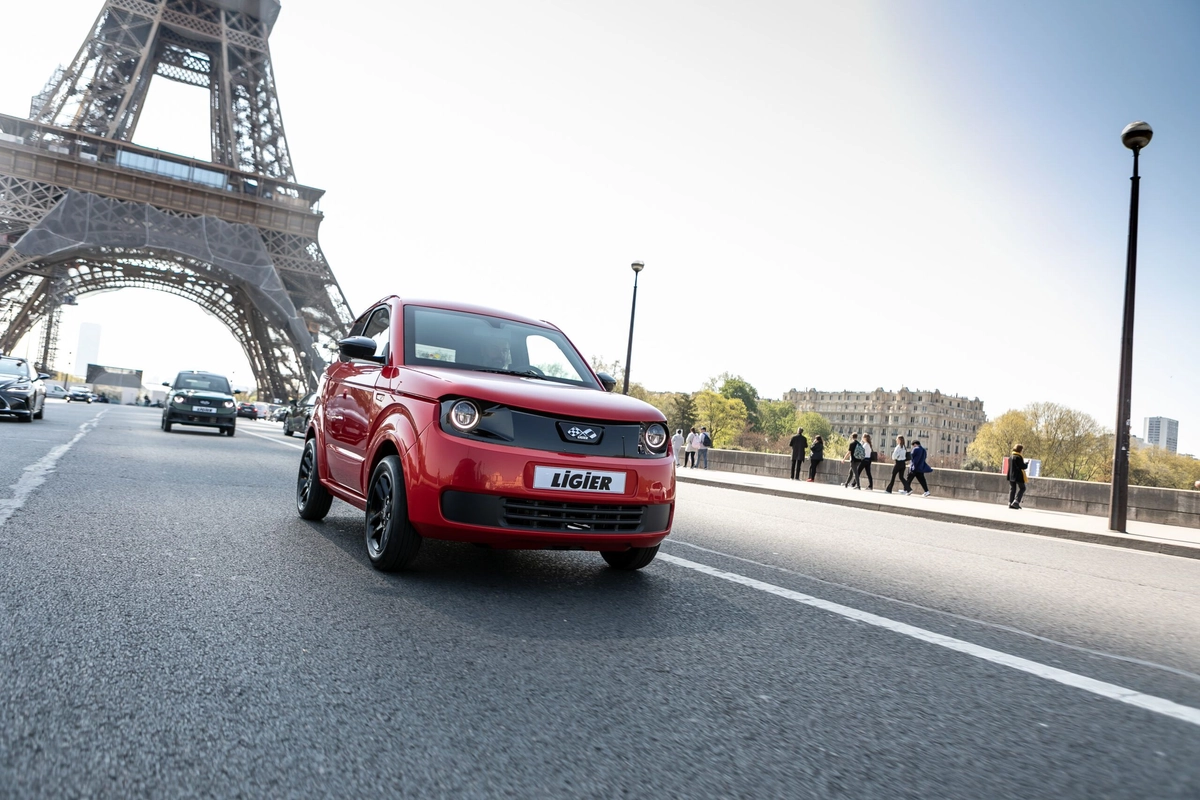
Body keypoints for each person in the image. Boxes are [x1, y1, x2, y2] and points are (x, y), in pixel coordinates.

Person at [1008, 443, 1029, 509]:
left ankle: (1010, 503)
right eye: (1022, 450)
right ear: (1020, 450)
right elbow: (1022, 466)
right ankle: (1016, 502)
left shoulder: (1011, 456)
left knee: (1012, 489)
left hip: (1011, 475)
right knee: (1023, 488)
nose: (1022, 451)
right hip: (1018, 476)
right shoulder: (1018, 457)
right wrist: (1026, 464)